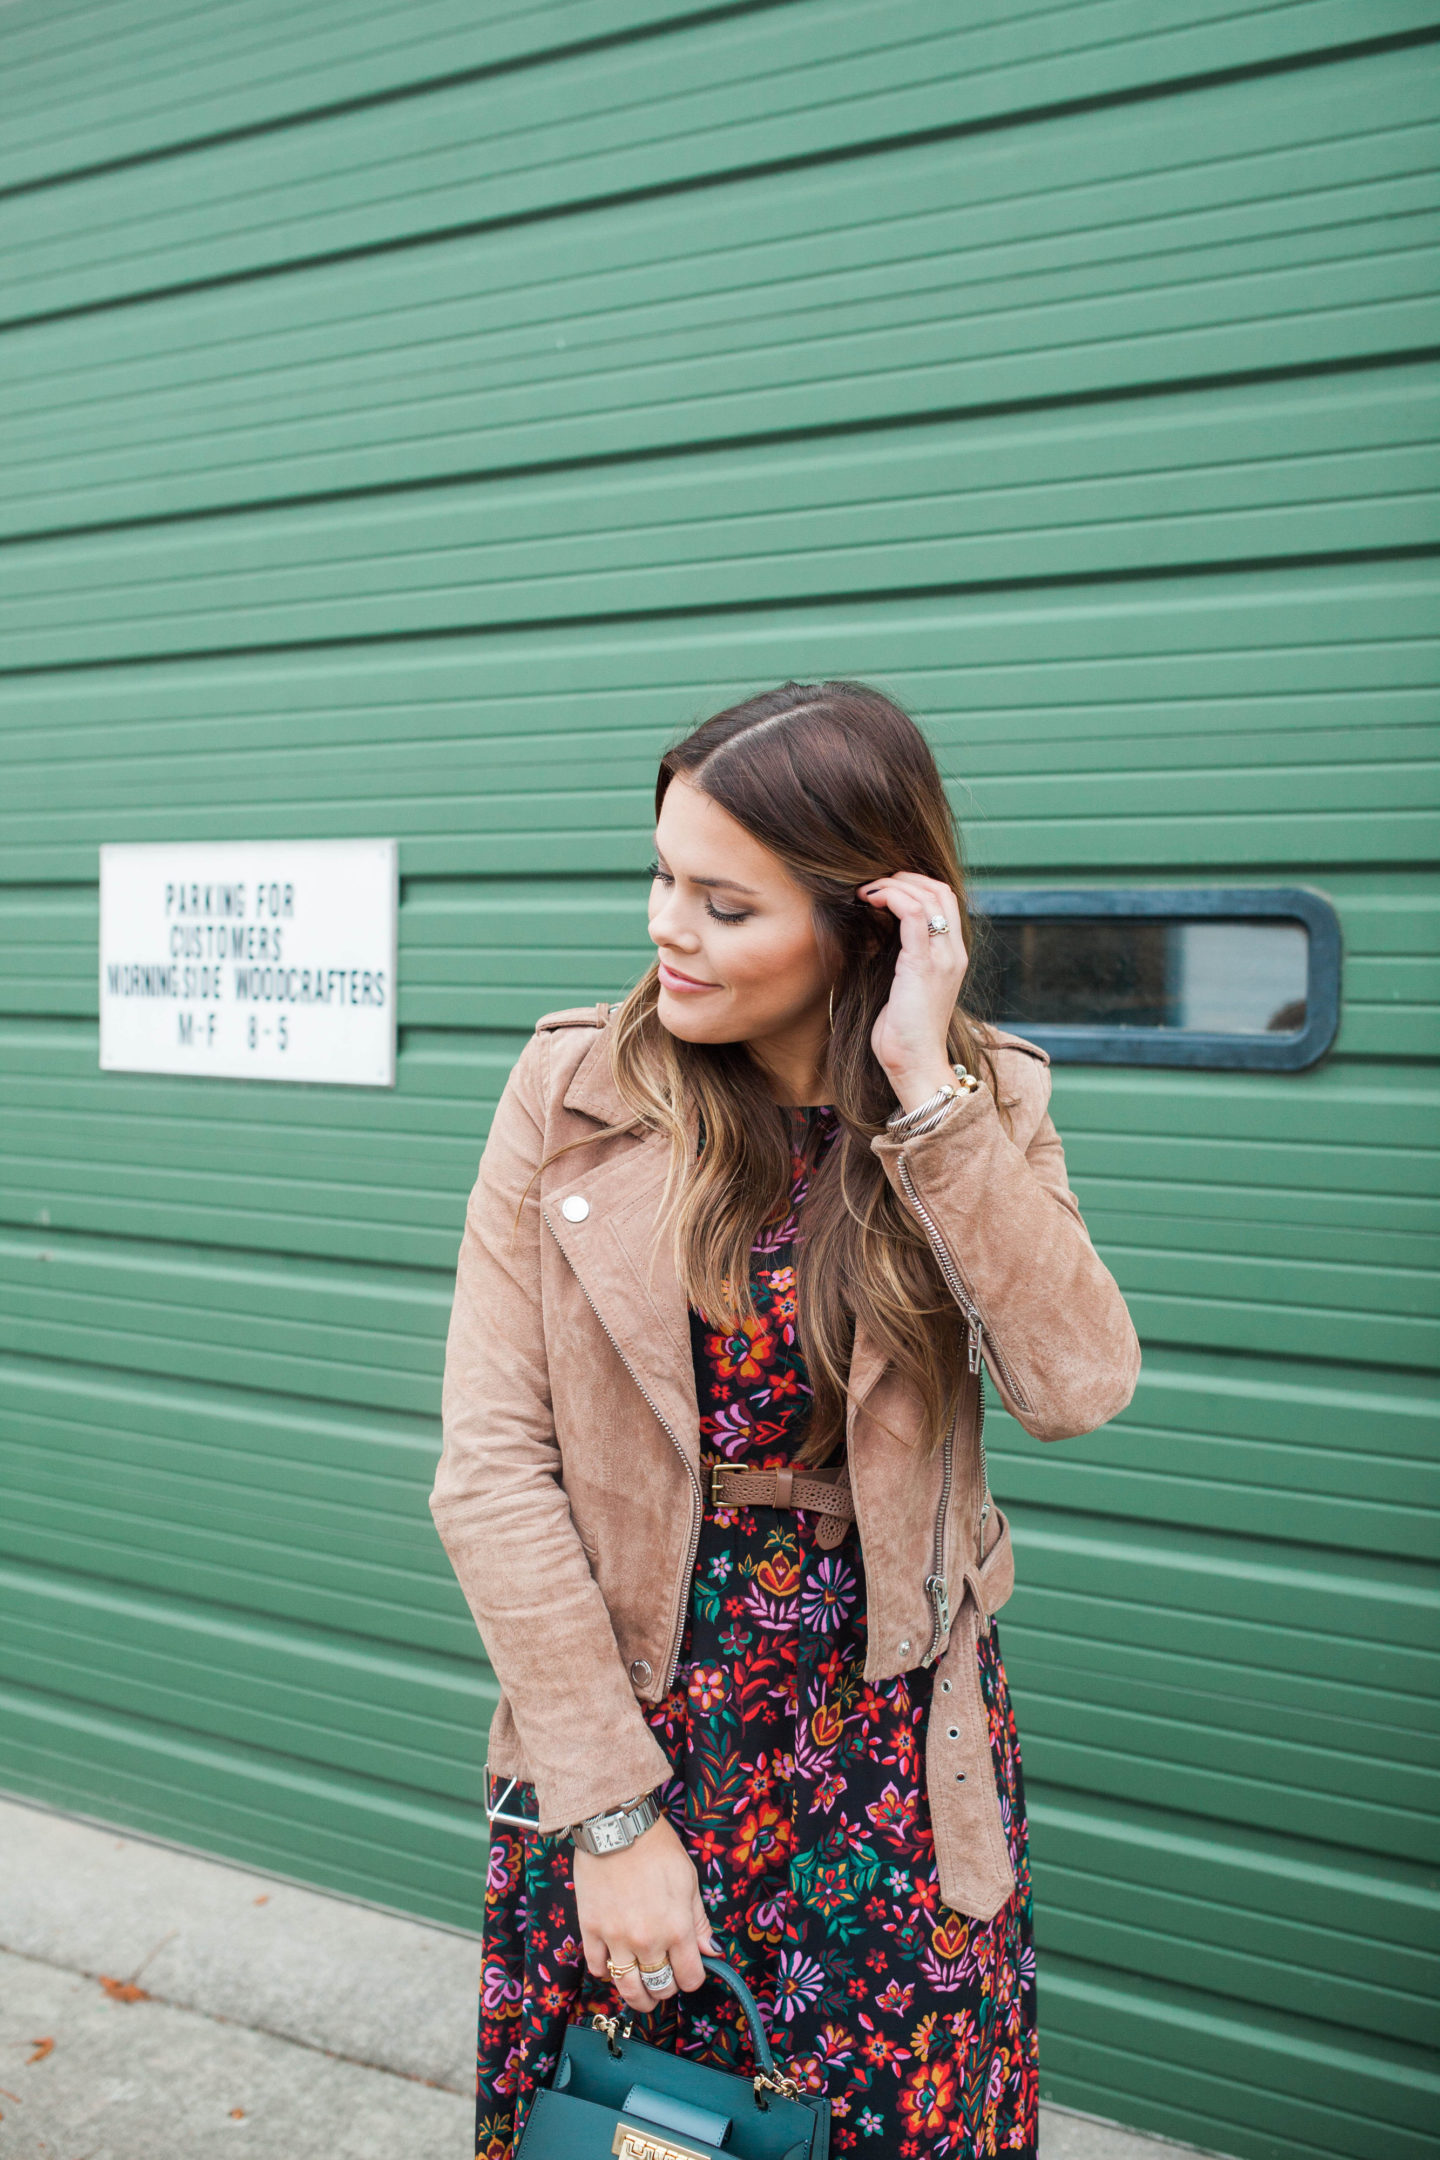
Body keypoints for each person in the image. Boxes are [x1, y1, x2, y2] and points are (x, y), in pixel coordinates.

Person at [430, 679, 1141, 2159]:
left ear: (860, 925)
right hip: (626, 1735)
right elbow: (491, 1475)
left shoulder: (978, 1102)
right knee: (618, 2123)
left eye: (723, 904)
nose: (662, 928)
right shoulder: (570, 1090)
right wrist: (614, 1825)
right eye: (661, 876)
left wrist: (924, 1098)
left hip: (888, 1770)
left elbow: (1076, 1387)